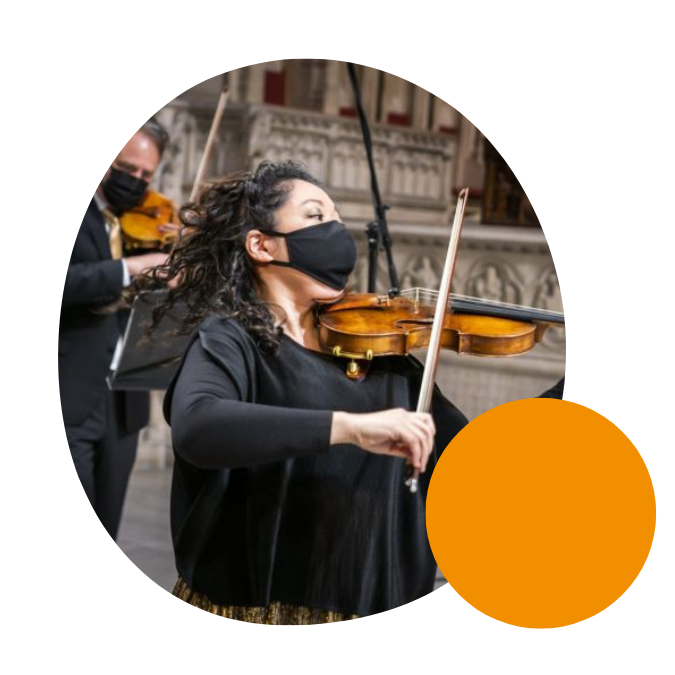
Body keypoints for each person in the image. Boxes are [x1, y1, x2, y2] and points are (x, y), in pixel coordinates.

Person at [136, 159, 469, 627]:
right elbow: (199, 426)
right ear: (261, 245)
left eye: (336, 219)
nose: (335, 231)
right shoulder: (231, 340)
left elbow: (466, 451)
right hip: (261, 609)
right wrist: (349, 428)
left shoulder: (383, 351)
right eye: (316, 217)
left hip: (376, 604)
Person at [58, 117, 178, 626]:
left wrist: (179, 263)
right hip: (66, 398)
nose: (135, 180)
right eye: (125, 167)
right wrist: (129, 270)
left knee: (103, 537)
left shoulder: (149, 222)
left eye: (145, 175)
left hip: (123, 404)